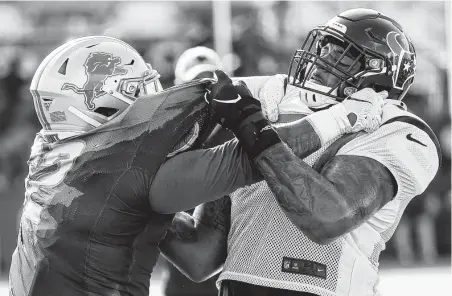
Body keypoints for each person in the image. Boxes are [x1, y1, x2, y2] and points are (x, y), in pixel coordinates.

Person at [9, 35, 384, 296]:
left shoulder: (48, 150)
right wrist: (343, 118)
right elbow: (255, 155)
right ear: (105, 99)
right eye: (140, 86)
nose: (152, 94)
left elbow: (194, 254)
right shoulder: (132, 168)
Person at [159, 8, 442, 296]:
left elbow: (325, 218)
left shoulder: (396, 129)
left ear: (377, 75)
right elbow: (200, 256)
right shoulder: (275, 96)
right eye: (325, 47)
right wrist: (136, 199)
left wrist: (254, 130)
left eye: (342, 54)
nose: (321, 60)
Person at [163, 45, 224, 296]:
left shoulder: (237, 131)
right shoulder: (165, 135)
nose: (204, 92)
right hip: (182, 273)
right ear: (179, 84)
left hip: (222, 272)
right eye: (196, 84)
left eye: (209, 83)